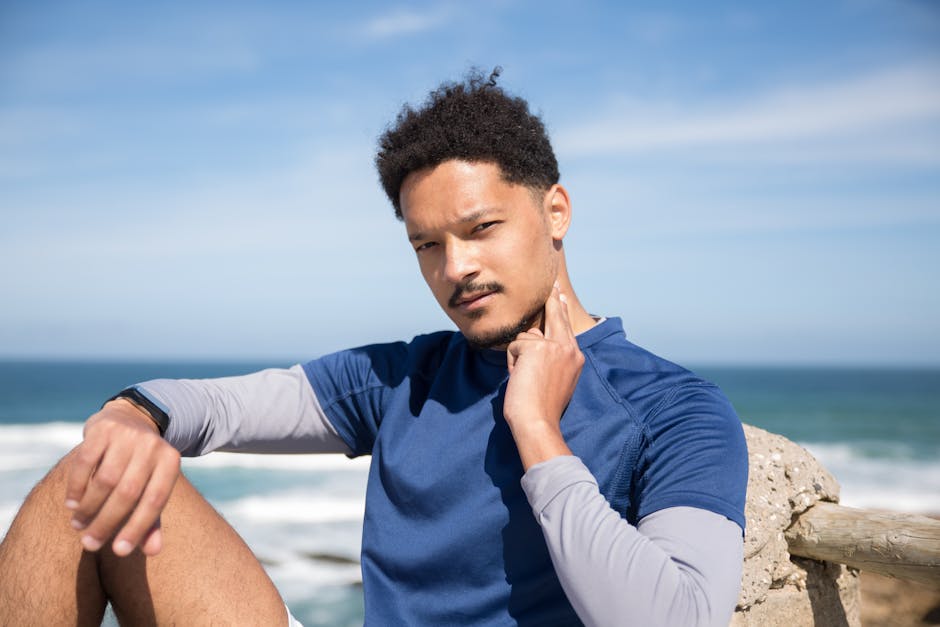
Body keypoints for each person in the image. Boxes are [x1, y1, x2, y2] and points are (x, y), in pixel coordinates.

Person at [0, 70, 748, 626]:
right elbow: (216, 404)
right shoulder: (406, 376)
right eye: (428, 244)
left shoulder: (674, 408)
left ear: (555, 210)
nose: (455, 268)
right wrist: (134, 413)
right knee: (91, 476)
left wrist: (538, 433)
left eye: (481, 228)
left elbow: (677, 618)